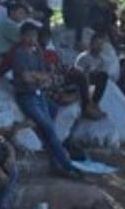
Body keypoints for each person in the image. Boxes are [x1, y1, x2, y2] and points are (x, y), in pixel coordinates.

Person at [11, 21, 80, 177]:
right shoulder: (19, 53)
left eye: (34, 35)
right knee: (49, 129)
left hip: (39, 94)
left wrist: (37, 77)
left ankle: (57, 164)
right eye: (28, 35)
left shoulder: (37, 54)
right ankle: (67, 165)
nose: (31, 39)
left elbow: (47, 76)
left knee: (49, 125)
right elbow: (26, 78)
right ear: (22, 37)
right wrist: (38, 77)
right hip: (27, 96)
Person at [72, 30, 113, 120]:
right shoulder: (84, 57)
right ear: (91, 43)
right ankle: (88, 107)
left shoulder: (100, 59)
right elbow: (79, 73)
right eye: (97, 43)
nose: (99, 46)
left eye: (101, 44)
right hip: (80, 81)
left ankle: (94, 104)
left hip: (90, 83)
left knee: (103, 76)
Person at [0, 0, 27, 75]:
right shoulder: (9, 24)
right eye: (20, 13)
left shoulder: (6, 23)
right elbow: (25, 41)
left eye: (24, 14)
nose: (23, 16)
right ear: (12, 13)